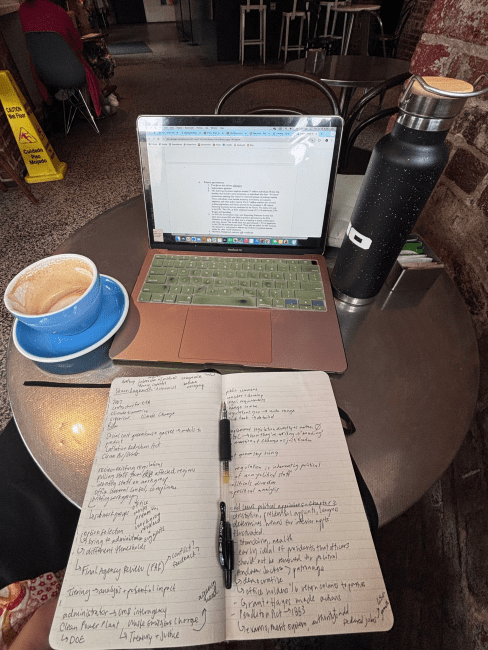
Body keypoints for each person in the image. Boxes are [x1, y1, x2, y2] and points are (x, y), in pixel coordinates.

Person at [19, 0, 109, 117]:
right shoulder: (59, 12)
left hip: (42, 75)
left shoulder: (22, 11)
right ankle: (98, 101)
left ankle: (96, 96)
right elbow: (78, 46)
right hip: (72, 73)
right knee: (85, 59)